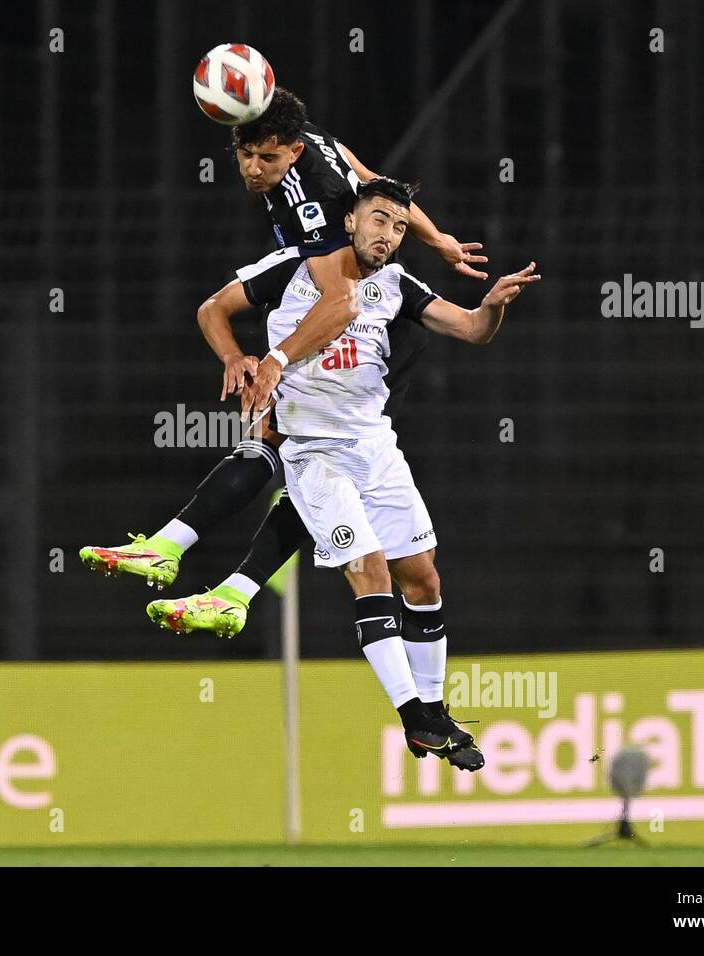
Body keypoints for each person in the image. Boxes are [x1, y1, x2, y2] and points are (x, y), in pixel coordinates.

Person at [80, 88, 486, 638]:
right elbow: (371, 180)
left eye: (267, 158)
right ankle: (198, 568)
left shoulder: (312, 206)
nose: (253, 168)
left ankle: (207, 574)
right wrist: (439, 241)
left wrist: (272, 361)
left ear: (293, 152)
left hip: (379, 342)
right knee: (283, 447)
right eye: (245, 155)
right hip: (343, 319)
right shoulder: (314, 142)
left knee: (308, 450)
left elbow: (342, 304)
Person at [194, 176, 541, 768]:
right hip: (312, 451)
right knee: (370, 569)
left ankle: (432, 714)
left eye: (401, 226)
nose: (390, 234)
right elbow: (213, 308)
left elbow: (473, 331)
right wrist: (240, 358)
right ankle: (413, 715)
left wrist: (491, 308)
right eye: (379, 219)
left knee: (424, 580)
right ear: (350, 220)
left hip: (376, 448)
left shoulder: (398, 285)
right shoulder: (293, 268)